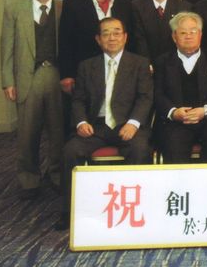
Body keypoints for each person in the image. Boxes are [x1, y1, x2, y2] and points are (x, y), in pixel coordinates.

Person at [55, 17, 153, 231]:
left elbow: (145, 98)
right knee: (71, 150)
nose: (112, 38)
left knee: (140, 149)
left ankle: (137, 209)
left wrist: (133, 123)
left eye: (117, 33)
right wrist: (81, 122)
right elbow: (78, 100)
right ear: (98, 40)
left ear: (125, 37)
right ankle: (70, 211)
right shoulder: (86, 66)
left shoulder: (139, 63)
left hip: (127, 124)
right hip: (96, 126)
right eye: (106, 34)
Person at [1, 0, 63, 199]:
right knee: (27, 133)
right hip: (27, 77)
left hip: (57, 76)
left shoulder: (65, 7)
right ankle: (29, 179)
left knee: (58, 131)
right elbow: (6, 47)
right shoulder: (15, 9)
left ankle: (57, 175)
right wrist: (8, 80)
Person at [154, 12, 207, 163]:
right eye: (183, 32)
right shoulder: (162, 61)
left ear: (200, 34)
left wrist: (205, 110)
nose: (188, 36)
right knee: (173, 147)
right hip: (175, 122)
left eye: (193, 31)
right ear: (174, 37)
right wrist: (174, 112)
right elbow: (158, 93)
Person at [58, 0, 134, 103]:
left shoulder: (125, 4)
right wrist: (67, 74)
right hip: (84, 72)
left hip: (119, 71)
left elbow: (131, 39)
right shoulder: (73, 4)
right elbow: (65, 41)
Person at [132, 0, 192, 64]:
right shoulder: (136, 6)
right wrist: (145, 63)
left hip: (176, 63)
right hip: (148, 63)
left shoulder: (184, 7)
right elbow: (139, 39)